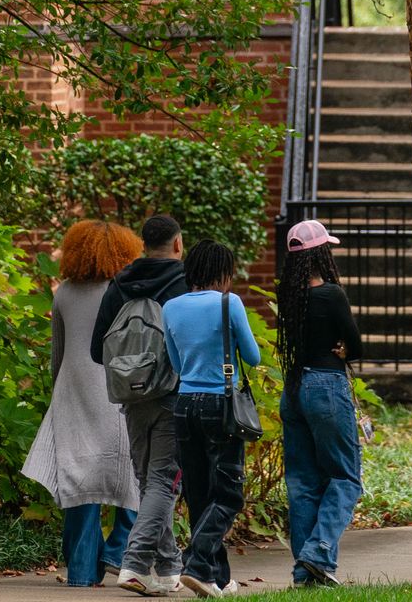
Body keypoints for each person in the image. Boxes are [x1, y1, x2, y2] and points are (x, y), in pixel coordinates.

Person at [23, 220, 143, 586]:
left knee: (79, 484)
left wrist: (57, 392)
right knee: (134, 477)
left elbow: (57, 355)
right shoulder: (125, 291)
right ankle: (116, 550)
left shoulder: (65, 293)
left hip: (73, 391)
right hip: (118, 391)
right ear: (125, 252)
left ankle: (81, 574)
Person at [91, 213, 188, 596]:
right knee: (164, 481)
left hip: (131, 398)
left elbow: (99, 348)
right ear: (178, 244)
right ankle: (133, 563)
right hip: (171, 394)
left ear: (141, 244)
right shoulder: (184, 285)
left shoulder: (119, 284)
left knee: (150, 482)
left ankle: (167, 568)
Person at [162, 241, 259, 598]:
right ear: (223, 273)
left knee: (200, 494)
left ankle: (218, 580)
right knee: (229, 494)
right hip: (220, 404)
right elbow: (252, 354)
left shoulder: (170, 307)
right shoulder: (228, 303)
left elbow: (175, 362)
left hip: (184, 404)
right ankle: (197, 564)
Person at [275, 220, 364, 588]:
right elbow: (354, 345)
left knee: (302, 482)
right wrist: (344, 349)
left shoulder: (289, 294)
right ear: (321, 253)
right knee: (345, 477)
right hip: (326, 386)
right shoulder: (331, 294)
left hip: (293, 389)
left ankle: (304, 573)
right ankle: (319, 552)